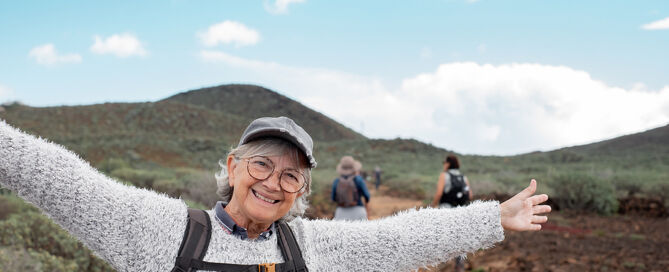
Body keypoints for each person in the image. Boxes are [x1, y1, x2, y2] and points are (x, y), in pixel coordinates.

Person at [0, 116, 551, 271]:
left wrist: (492, 219)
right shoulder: (163, 231)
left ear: (302, 192)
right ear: (234, 166)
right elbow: (60, 177)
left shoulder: (311, 248)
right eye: (263, 165)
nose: (273, 182)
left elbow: (399, 239)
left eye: (292, 176)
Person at [432, 154, 474, 272]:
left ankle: (440, 266)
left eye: (444, 162)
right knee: (459, 239)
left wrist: (432, 206)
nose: (443, 165)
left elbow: (439, 193)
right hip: (460, 212)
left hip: (445, 211)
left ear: (448, 163)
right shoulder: (463, 177)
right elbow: (470, 195)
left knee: (442, 237)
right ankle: (459, 267)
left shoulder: (444, 175)